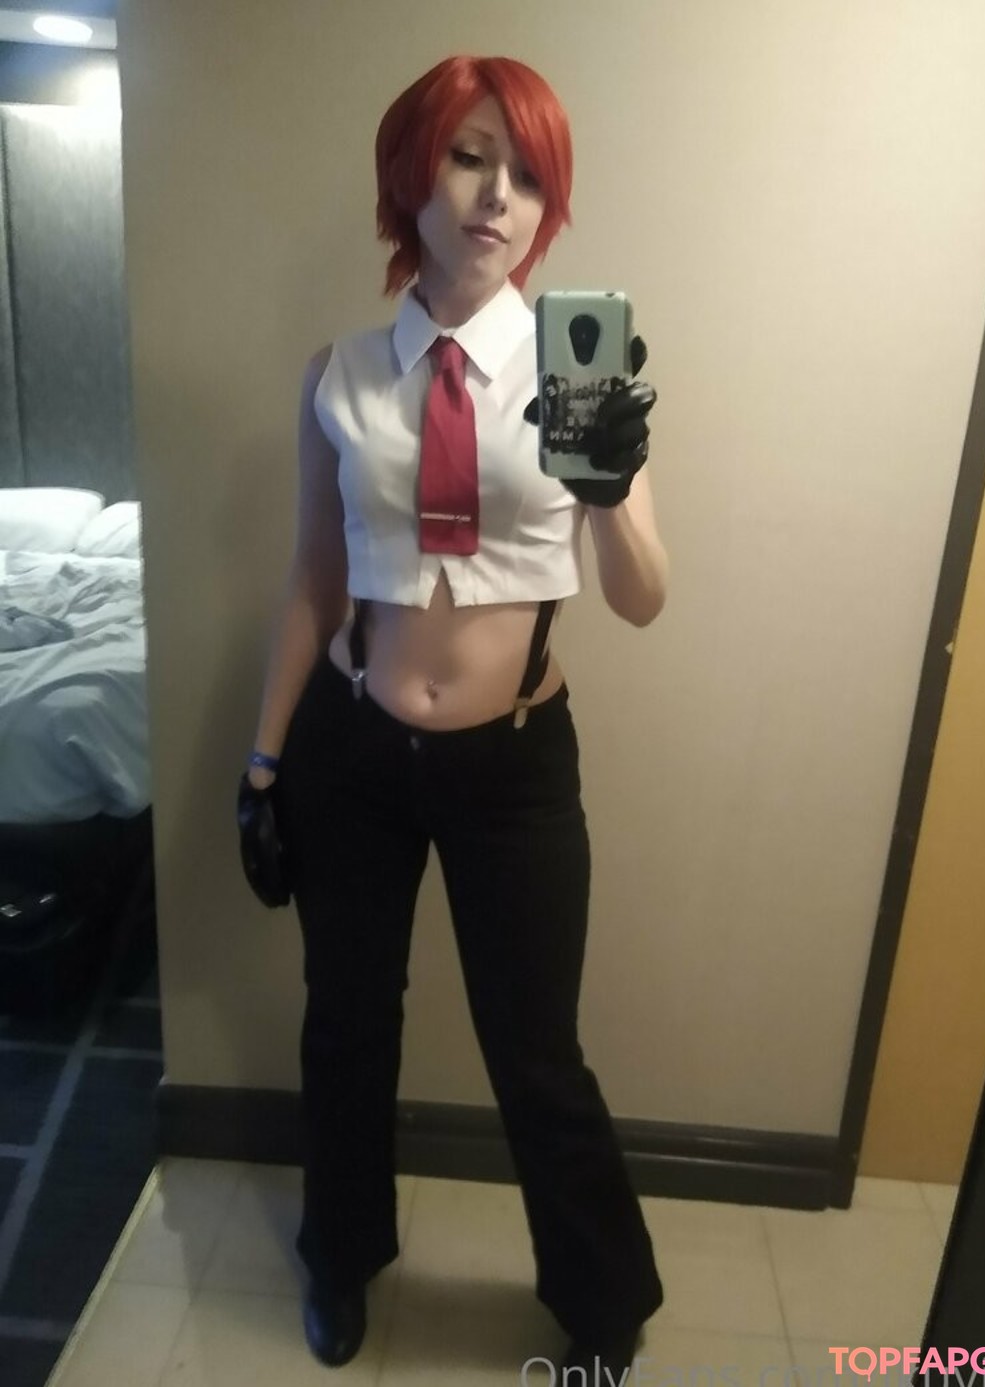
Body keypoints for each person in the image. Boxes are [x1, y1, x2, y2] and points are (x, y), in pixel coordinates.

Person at [236, 54, 668, 1377]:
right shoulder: (342, 375)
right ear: (410, 178)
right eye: (471, 158)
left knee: (536, 1051)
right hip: (354, 751)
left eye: (528, 175)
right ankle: (339, 1259)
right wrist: (264, 758)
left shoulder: (584, 367)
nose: (498, 197)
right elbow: (315, 580)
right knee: (346, 1020)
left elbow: (642, 599)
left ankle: (602, 1303)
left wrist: (611, 482)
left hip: (515, 763)